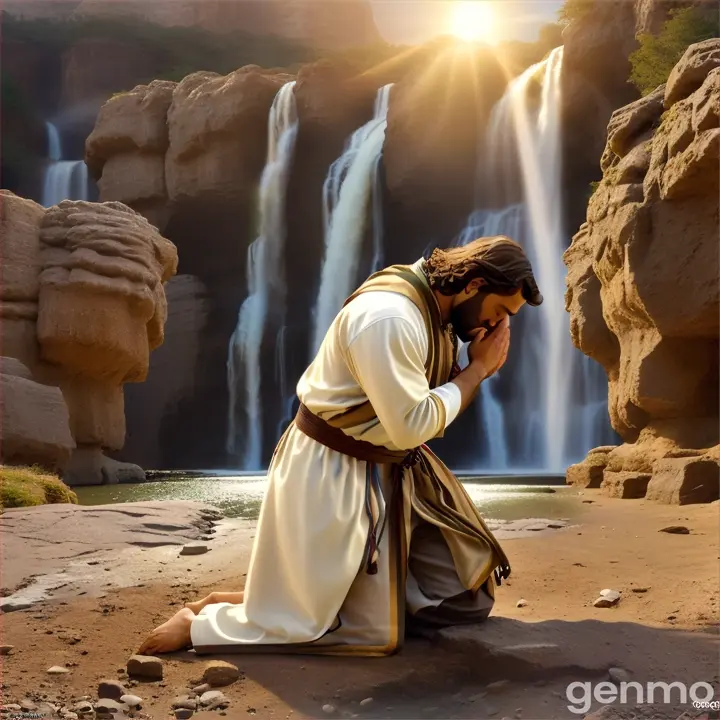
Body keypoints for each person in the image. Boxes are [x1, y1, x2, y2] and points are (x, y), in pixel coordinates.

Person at [138, 235, 543, 656]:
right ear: (473, 285)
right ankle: (202, 624)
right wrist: (477, 370)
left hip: (389, 471)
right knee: (361, 633)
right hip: (332, 471)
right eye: (499, 313)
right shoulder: (390, 318)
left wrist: (472, 365)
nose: (494, 329)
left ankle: (278, 598)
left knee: (463, 598)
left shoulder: (437, 308)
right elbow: (410, 426)